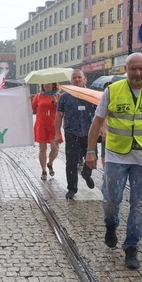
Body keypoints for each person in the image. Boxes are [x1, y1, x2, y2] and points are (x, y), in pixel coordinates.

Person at [86, 53, 142, 270]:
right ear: (125, 69)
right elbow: (98, 121)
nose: (137, 73)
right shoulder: (111, 91)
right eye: (133, 69)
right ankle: (111, 224)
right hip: (116, 155)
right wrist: (90, 151)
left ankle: (131, 247)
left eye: (141, 69)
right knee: (111, 199)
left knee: (138, 203)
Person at [55, 70, 96, 200]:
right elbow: (59, 115)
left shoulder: (91, 95)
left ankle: (86, 173)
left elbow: (100, 114)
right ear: (71, 80)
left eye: (79, 77)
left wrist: (103, 130)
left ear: (85, 79)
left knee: (91, 156)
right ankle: (72, 188)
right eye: (74, 78)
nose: (77, 79)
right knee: (71, 162)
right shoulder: (65, 96)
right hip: (71, 132)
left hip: (89, 133)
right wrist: (57, 133)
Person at [32, 82, 61, 180]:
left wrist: (56, 103)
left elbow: (62, 111)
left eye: (48, 84)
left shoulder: (58, 96)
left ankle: (50, 163)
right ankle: (44, 170)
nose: (46, 86)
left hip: (53, 125)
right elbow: (33, 108)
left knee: (55, 148)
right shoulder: (38, 96)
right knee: (42, 149)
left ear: (53, 85)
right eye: (44, 84)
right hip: (41, 125)